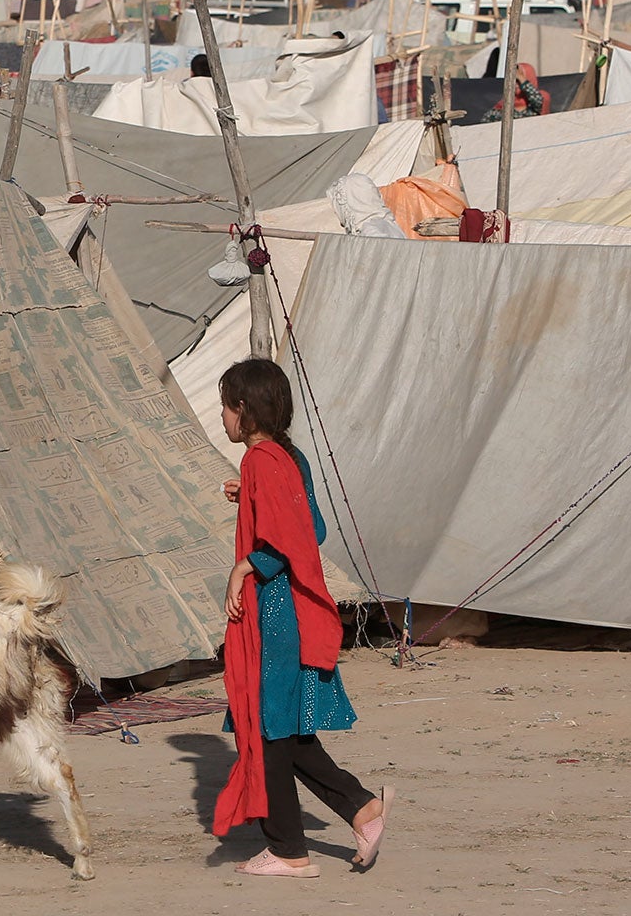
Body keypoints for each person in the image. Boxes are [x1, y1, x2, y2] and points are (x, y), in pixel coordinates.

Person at [213, 357, 389, 876]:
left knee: (271, 730)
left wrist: (246, 565)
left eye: (226, 405)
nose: (222, 415)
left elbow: (291, 538)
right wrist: (249, 498)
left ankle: (289, 850)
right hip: (293, 609)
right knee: (285, 731)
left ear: (244, 410)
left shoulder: (260, 461)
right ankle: (361, 808)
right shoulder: (290, 457)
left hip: (275, 611)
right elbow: (311, 524)